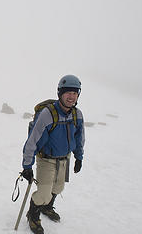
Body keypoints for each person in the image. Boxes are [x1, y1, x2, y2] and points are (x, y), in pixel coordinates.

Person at [21, 75, 85, 234]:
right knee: (43, 193)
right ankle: (33, 215)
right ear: (60, 93)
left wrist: (79, 157)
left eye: (75, 93)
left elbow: (79, 138)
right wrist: (27, 166)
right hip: (47, 160)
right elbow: (33, 141)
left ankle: (47, 207)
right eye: (68, 92)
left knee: (58, 187)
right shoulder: (48, 114)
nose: (71, 96)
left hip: (65, 159)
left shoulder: (77, 115)